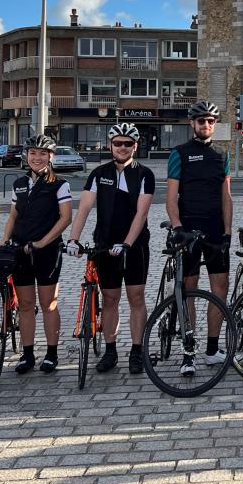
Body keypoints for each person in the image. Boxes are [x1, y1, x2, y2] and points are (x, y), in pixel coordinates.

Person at [67, 122, 155, 375]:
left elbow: (142, 212)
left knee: (136, 297)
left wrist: (127, 243)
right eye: (118, 143)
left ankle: (137, 350)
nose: (123, 148)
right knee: (110, 299)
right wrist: (73, 239)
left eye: (128, 144)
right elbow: (83, 208)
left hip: (134, 245)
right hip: (105, 245)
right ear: (110, 146)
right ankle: (110, 350)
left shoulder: (144, 174)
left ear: (135, 147)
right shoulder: (98, 173)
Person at [166, 101, 232, 376]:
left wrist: (228, 232)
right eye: (201, 121)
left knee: (220, 289)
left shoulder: (222, 154)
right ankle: (188, 351)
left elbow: (226, 197)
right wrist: (178, 226)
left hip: (215, 230)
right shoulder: (179, 153)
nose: (206, 125)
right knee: (189, 291)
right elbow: (171, 198)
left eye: (210, 121)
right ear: (192, 124)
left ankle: (212, 348)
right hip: (188, 230)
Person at [2, 134, 72, 375]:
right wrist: (3, 240)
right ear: (27, 155)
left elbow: (65, 218)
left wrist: (43, 242)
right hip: (21, 249)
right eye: (33, 153)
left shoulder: (59, 184)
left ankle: (52, 353)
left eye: (43, 153)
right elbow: (13, 215)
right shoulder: (19, 183)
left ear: (51, 157)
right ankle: (28, 353)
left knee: (48, 303)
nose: (37, 157)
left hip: (47, 251)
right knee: (25, 304)